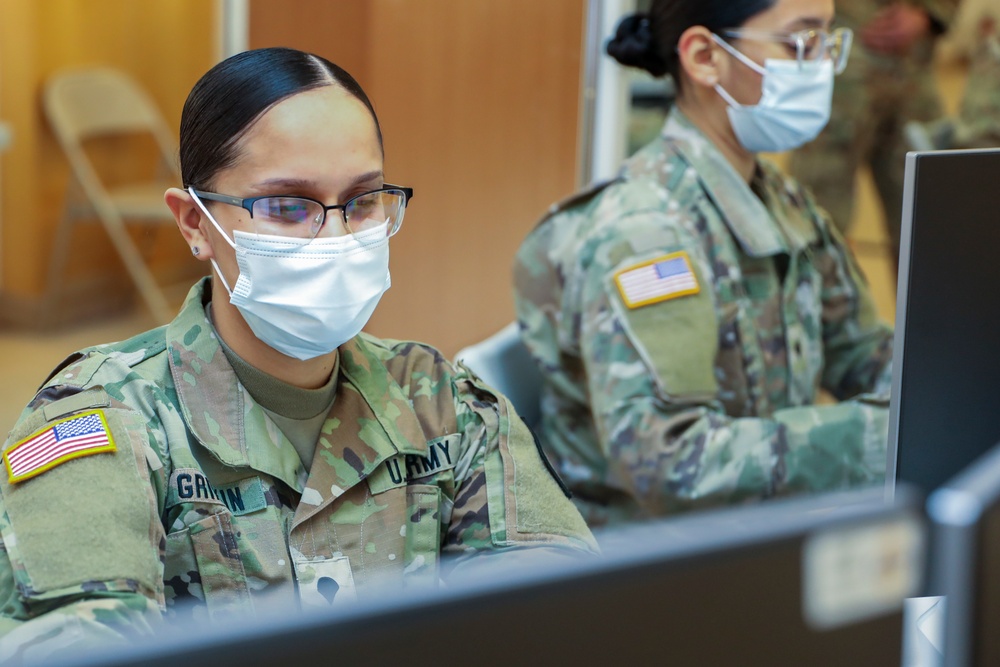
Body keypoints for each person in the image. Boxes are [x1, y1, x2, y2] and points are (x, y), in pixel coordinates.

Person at [0, 47, 595, 662]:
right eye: (287, 206)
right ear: (195, 223)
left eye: (362, 202)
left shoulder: (442, 402)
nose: (336, 238)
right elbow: (67, 643)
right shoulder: (102, 421)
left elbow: (560, 608)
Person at [514, 0, 894, 528]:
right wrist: (881, 436)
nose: (823, 66)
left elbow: (863, 352)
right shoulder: (647, 231)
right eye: (800, 43)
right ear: (704, 57)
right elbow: (673, 466)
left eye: (829, 42)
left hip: (751, 536)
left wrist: (946, 395)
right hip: (651, 567)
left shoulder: (780, 199)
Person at [788, 0, 958, 263]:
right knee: (817, 222)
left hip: (914, 70)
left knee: (932, 223)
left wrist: (931, 12)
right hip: (838, 69)